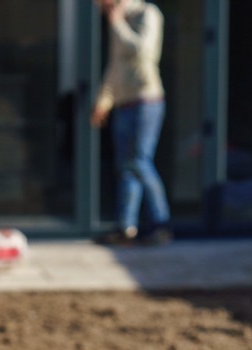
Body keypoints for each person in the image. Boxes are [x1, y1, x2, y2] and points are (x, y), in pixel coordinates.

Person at [91, 0, 171, 245]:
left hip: (147, 102)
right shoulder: (118, 21)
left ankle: (161, 224)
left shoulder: (147, 14)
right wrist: (103, 100)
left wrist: (117, 24)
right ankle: (126, 227)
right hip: (123, 105)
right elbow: (115, 66)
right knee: (126, 166)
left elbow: (141, 51)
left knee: (139, 162)